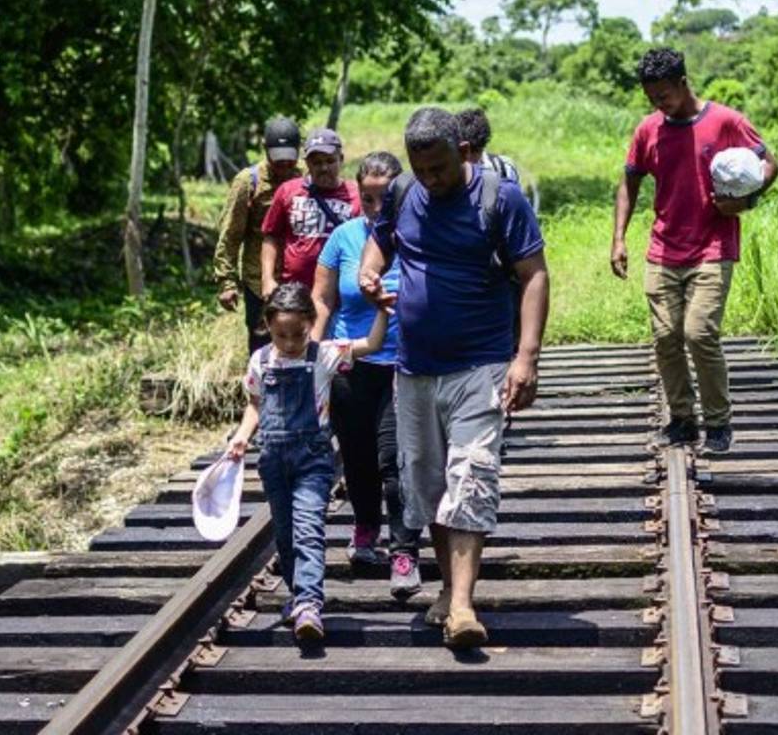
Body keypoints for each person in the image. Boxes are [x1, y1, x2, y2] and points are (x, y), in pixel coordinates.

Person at [359, 107, 549, 649]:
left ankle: (462, 604)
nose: (431, 179)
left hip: (480, 363)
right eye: (422, 170)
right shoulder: (401, 192)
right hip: (415, 368)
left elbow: (534, 275)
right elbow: (381, 239)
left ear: (461, 153)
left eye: (439, 168)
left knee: (471, 475)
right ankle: (448, 588)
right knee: (430, 484)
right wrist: (368, 272)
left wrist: (526, 357)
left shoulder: (499, 199)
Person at [610, 48, 778, 455]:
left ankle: (719, 423)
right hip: (663, 249)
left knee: (699, 332)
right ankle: (682, 421)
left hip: (713, 246)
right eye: (652, 98)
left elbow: (770, 164)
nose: (659, 105)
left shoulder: (726, 121)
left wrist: (747, 201)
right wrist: (618, 237)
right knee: (666, 337)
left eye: (664, 95)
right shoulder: (648, 130)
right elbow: (629, 183)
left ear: (684, 83)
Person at [226, 282, 389, 643]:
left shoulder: (325, 354)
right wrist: (242, 436)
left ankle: (310, 603)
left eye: (297, 334)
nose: (289, 343)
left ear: (312, 324)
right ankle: (299, 595)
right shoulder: (261, 360)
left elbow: (371, 345)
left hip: (313, 459)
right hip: (272, 459)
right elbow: (255, 403)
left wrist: (381, 312)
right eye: (280, 334)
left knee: (308, 529)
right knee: (284, 535)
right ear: (268, 326)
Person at [311, 151, 421, 600]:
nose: (376, 208)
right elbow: (322, 299)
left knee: (393, 462)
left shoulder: (416, 234)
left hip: (403, 364)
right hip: (350, 363)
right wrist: (312, 356)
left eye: (384, 198)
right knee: (356, 461)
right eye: (368, 199)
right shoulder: (343, 238)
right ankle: (364, 529)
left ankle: (404, 551)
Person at [213, 117, 302, 354]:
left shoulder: (304, 178)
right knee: (263, 350)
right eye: (278, 156)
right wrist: (227, 282)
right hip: (258, 283)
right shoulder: (248, 182)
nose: (284, 163)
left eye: (289, 156)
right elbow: (230, 235)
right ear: (266, 151)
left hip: (298, 281)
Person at [260, 127, 360, 296]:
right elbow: (271, 236)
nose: (324, 168)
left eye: (330, 161)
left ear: (340, 159)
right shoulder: (288, 191)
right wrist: (267, 278)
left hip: (339, 294)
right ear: (307, 163)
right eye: (317, 162)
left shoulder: (357, 196)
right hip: (295, 291)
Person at [456, 107, 538, 213]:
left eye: (475, 151)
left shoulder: (503, 167)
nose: (468, 158)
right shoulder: (446, 172)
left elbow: (515, 209)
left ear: (483, 146)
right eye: (462, 151)